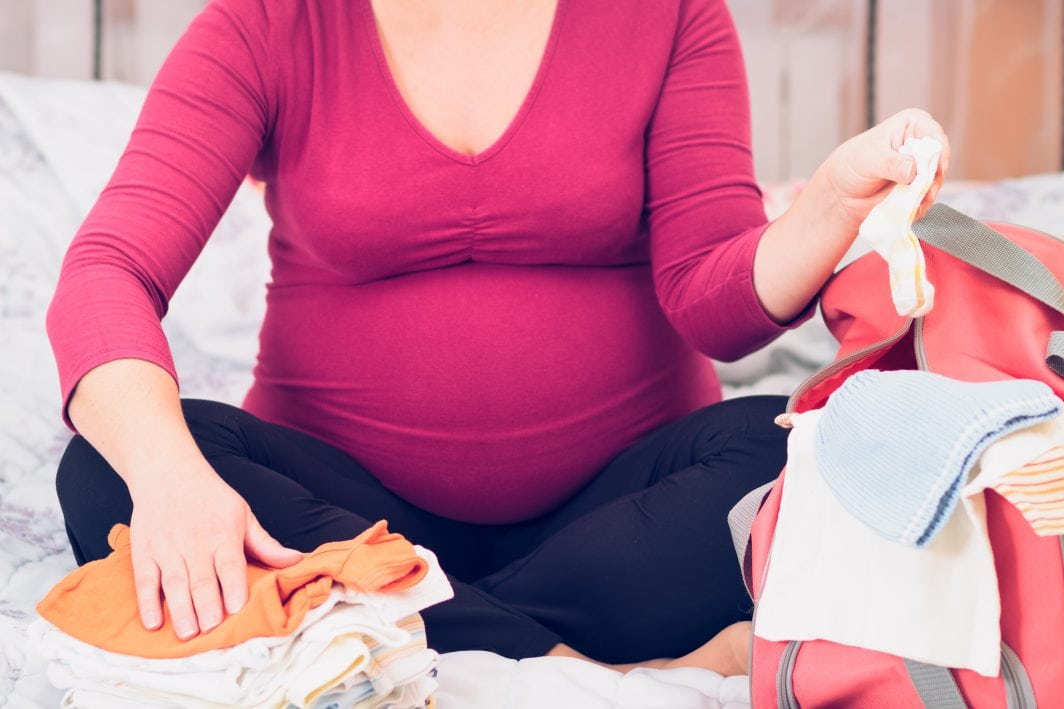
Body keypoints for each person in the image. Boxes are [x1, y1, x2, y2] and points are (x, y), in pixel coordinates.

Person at [47, 0, 948, 677]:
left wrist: (831, 201)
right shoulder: (268, 24)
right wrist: (171, 480)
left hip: (616, 514)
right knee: (111, 465)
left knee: (817, 446)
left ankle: (404, 626)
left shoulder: (668, 13)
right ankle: (586, 667)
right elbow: (108, 272)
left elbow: (714, 304)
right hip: (340, 517)